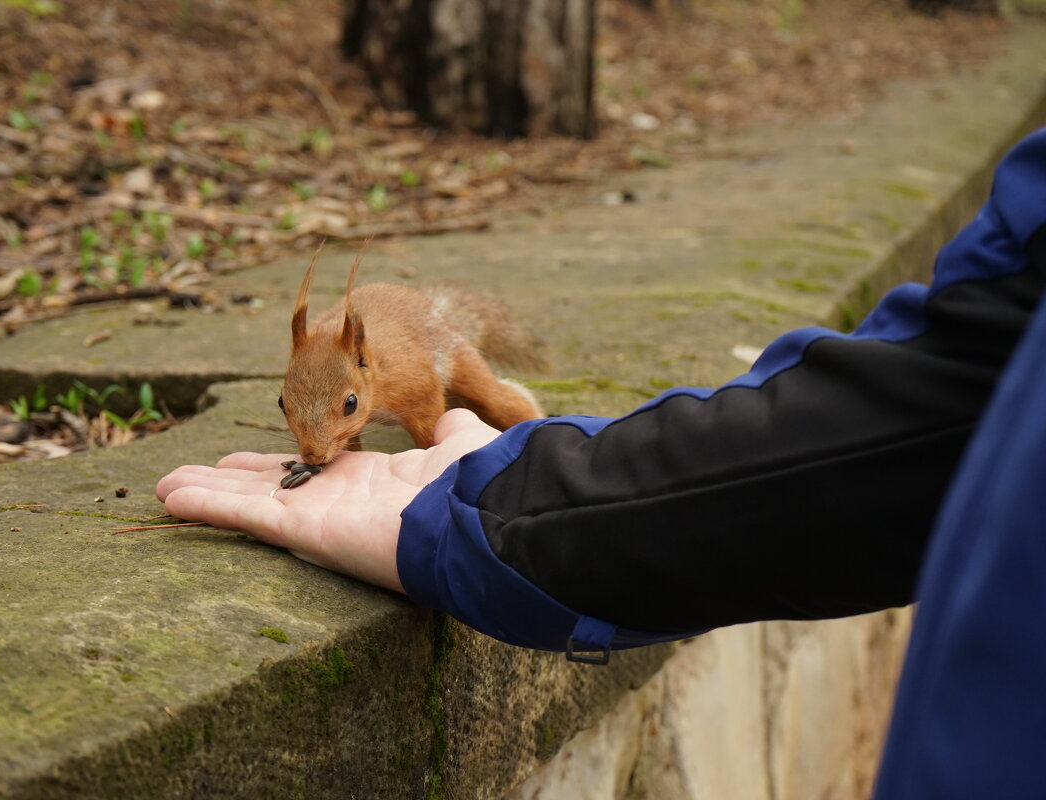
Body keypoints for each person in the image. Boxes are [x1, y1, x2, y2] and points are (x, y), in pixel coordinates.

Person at [157, 127, 1046, 798]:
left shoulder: (395, 364)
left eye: (344, 411)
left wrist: (500, 495)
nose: (313, 437)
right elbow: (936, 403)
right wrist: (518, 508)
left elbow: (920, 413)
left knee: (477, 390)